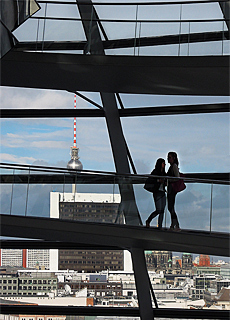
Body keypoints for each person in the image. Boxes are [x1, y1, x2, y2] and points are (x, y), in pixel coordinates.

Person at [145, 158, 166, 230]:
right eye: (163, 163)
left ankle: (160, 225)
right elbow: (150, 180)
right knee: (159, 209)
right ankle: (149, 220)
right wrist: (158, 180)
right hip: (157, 192)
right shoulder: (155, 172)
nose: (164, 165)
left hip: (162, 192)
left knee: (162, 210)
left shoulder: (163, 173)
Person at [167, 151, 181, 231]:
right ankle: (174, 224)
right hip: (171, 189)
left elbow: (177, 177)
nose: (168, 159)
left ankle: (176, 224)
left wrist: (169, 180)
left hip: (172, 189)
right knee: (171, 207)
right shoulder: (172, 166)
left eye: (169, 157)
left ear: (173, 158)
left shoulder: (174, 166)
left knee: (170, 207)